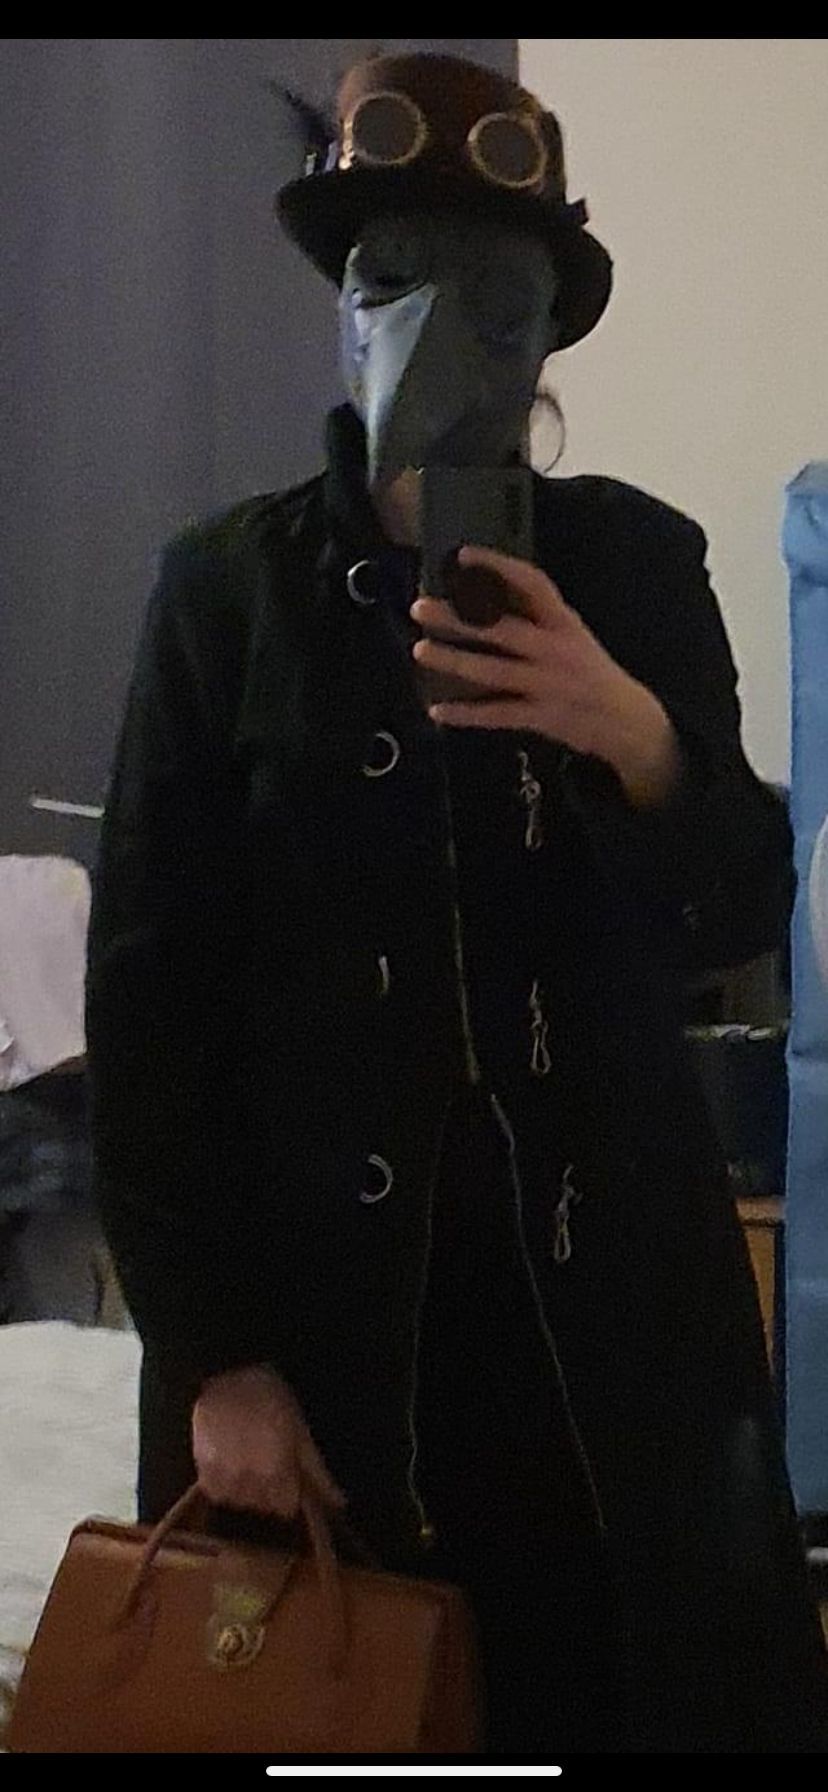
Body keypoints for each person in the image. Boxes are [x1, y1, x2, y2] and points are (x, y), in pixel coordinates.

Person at [86, 53, 828, 1756]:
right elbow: (149, 998)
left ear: (551, 334)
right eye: (387, 281)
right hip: (324, 1332)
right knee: (358, 1727)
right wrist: (215, 1357)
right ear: (340, 309)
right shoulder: (227, 592)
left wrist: (638, 741)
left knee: (618, 1702)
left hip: (608, 1332)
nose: (435, 333)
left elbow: (738, 913)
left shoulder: (635, 564)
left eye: (494, 299)